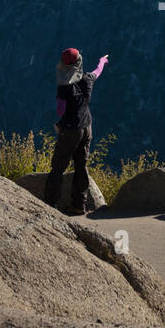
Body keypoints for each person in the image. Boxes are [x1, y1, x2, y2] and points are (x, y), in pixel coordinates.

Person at [44, 47, 109, 215]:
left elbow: (60, 111)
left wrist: (61, 98)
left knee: (58, 167)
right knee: (81, 165)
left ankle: (50, 205)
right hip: (87, 126)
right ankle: (79, 204)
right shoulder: (87, 78)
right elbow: (97, 72)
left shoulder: (65, 87)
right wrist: (102, 61)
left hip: (71, 130)